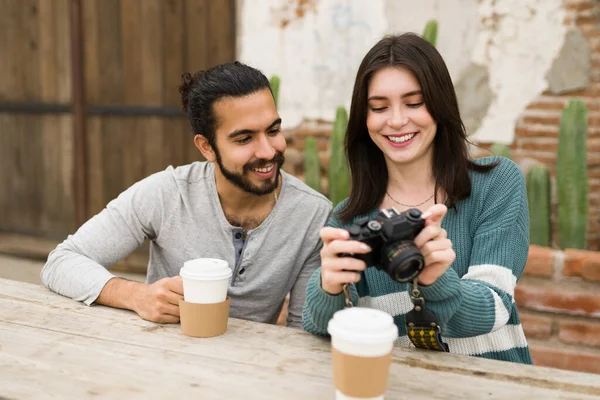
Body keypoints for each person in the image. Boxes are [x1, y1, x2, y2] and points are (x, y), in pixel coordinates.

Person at [41, 61, 332, 328]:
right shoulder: (167, 193)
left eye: (273, 130)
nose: (268, 151)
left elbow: (300, 333)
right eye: (244, 139)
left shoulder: (312, 214)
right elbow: (62, 262)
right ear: (206, 147)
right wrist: (136, 295)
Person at [302, 33, 532, 364]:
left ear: (440, 105)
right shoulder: (348, 218)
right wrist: (328, 287)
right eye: (379, 107)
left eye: (414, 103)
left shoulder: (495, 184)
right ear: (364, 119)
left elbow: (494, 309)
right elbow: (322, 330)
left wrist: (436, 279)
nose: (396, 121)